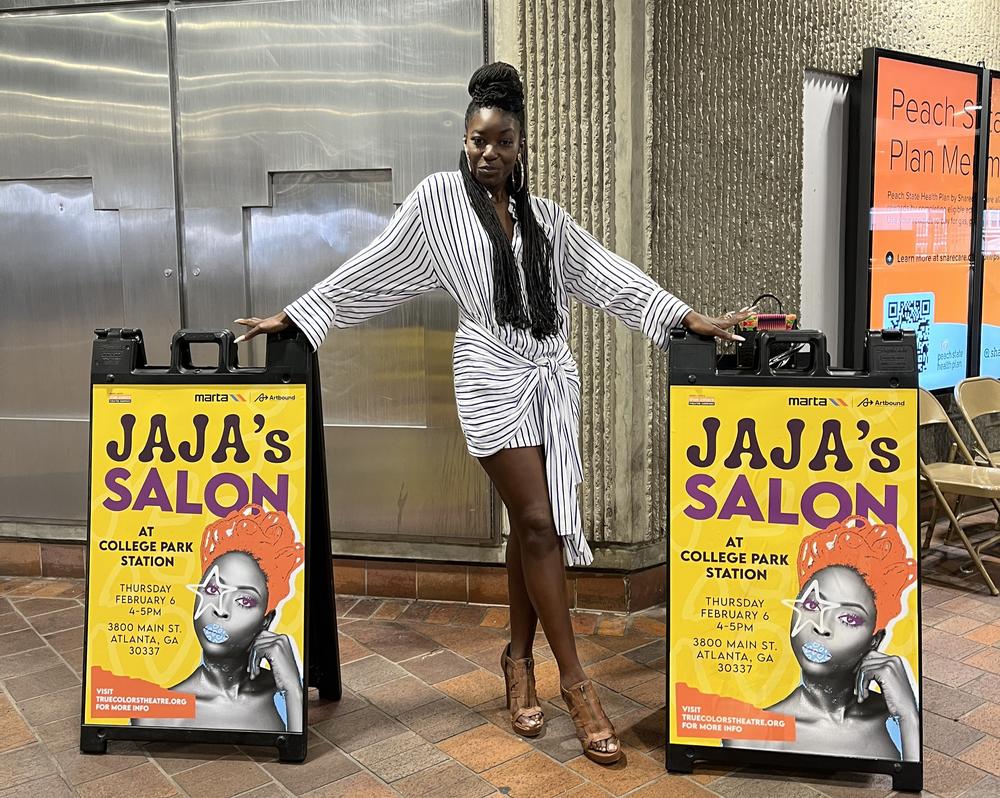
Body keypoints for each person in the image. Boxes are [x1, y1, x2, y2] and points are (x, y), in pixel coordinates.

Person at [235, 62, 749, 764]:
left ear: (520, 144)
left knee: (527, 528)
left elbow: (608, 274)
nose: (486, 153)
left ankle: (516, 661)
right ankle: (576, 684)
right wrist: (299, 314)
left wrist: (686, 316)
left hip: (545, 382)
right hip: (488, 379)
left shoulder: (544, 219)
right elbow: (374, 266)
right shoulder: (439, 202)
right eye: (477, 140)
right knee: (540, 522)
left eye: (501, 141)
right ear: (465, 137)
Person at [724, 515, 919, 761]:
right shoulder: (751, 735)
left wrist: (909, 718)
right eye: (813, 605)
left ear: (875, 640)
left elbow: (913, 784)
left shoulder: (900, 714)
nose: (821, 627)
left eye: (848, 618)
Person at [134, 504, 305, 732]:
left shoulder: (285, 694)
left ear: (266, 621)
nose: (220, 610)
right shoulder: (156, 714)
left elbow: (299, 755)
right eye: (213, 591)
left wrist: (293, 691)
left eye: (244, 601)